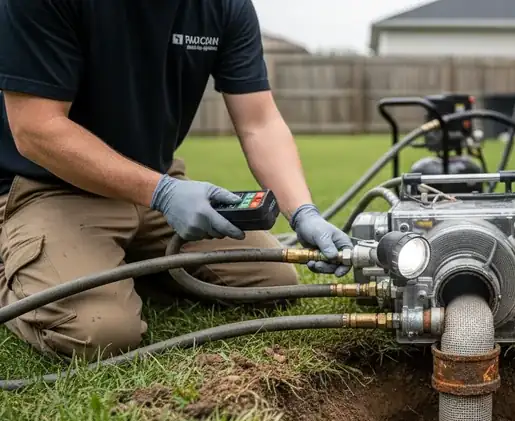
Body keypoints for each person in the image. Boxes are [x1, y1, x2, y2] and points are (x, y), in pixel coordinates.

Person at [0, 0, 353, 361]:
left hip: (154, 182)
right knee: (99, 333)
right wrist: (163, 192)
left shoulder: (224, 7)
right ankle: (15, 269)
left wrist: (303, 211)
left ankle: (109, 269)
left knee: (272, 283)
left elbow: (259, 122)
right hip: (50, 187)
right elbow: (36, 129)